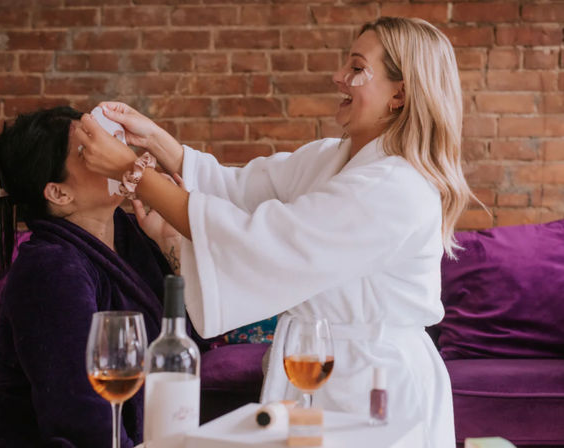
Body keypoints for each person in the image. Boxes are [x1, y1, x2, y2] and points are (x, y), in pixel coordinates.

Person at [75, 17, 475, 446]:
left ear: (400, 92)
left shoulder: (395, 187)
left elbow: (262, 240)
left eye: (357, 69)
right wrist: (154, 140)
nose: (338, 77)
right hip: (315, 368)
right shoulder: (329, 158)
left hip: (376, 383)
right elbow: (239, 189)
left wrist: (128, 169)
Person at [0, 106, 177, 448]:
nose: (114, 155)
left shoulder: (135, 235)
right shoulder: (49, 269)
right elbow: (81, 416)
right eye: (89, 151)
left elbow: (187, 338)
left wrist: (168, 241)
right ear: (58, 193)